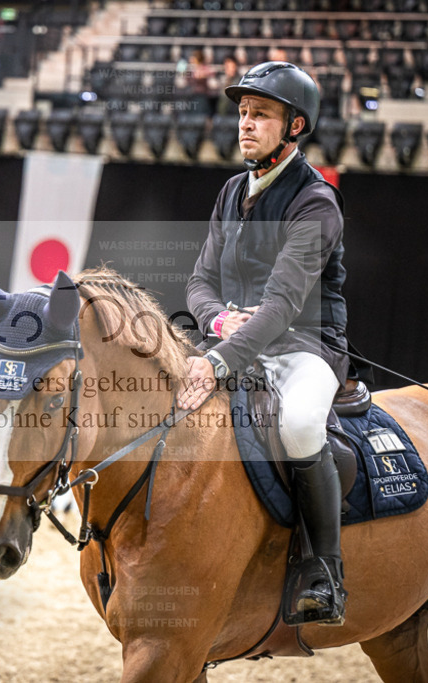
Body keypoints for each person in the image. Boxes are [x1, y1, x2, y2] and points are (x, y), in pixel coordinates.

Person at [178, 61, 350, 626]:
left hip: (305, 348)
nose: (246, 124)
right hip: (237, 340)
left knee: (300, 424)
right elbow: (199, 282)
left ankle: (325, 570)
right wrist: (220, 325)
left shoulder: (315, 201)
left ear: (295, 126)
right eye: (243, 113)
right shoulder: (231, 190)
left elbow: (280, 305)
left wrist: (218, 360)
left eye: (262, 115)